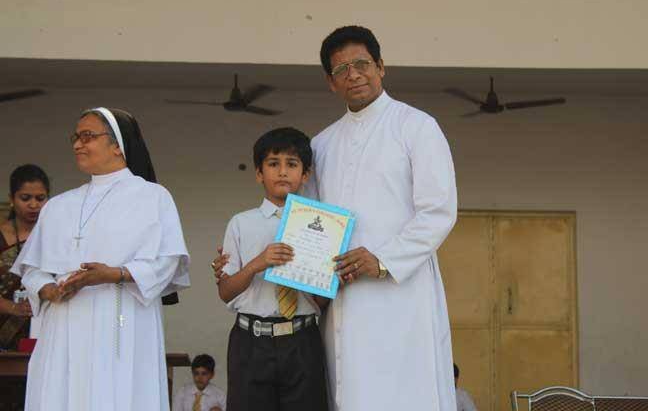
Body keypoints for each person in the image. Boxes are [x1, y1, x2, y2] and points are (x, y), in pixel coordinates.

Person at [306, 25, 458, 411]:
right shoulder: (321, 144)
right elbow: (312, 222)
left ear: (381, 67)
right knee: (352, 389)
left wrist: (383, 260)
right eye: (342, 69)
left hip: (403, 293)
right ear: (331, 82)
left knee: (406, 390)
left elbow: (438, 211)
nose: (354, 75)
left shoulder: (416, 126)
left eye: (362, 64)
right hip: (344, 297)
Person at [11, 107, 190, 411]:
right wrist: (47, 289)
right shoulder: (58, 205)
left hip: (121, 320)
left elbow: (167, 261)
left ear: (117, 145)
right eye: (75, 137)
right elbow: (32, 268)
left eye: (87, 136)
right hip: (63, 324)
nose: (77, 144)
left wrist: (115, 274)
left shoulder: (153, 197)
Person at [214, 127, 328, 411]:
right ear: (258, 173)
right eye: (273, 163)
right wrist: (258, 263)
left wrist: (322, 275)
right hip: (250, 341)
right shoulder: (241, 223)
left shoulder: (322, 226)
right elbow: (226, 291)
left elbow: (322, 301)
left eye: (292, 164)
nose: (283, 172)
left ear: (305, 174)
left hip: (303, 339)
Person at [0, 165, 49, 411]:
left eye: (40, 198)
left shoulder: (55, 237)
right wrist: (12, 308)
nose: (33, 205)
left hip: (45, 330)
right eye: (25, 198)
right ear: (12, 199)